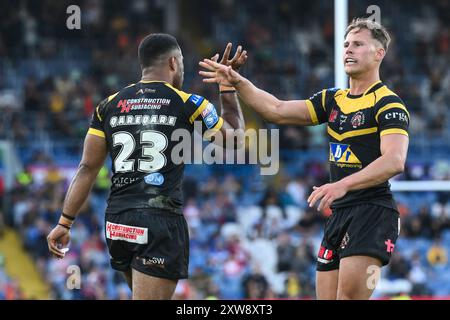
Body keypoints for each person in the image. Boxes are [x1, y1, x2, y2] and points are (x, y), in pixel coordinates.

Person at [200, 18, 409, 300]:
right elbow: (276, 109)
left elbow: (394, 160)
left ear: (378, 53)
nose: (348, 50)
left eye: (358, 44)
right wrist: (236, 82)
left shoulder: (388, 104)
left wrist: (342, 185)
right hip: (340, 214)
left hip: (372, 211)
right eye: (346, 44)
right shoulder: (333, 100)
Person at [47, 33, 247, 300]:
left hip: (117, 223)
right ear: (174, 63)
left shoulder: (108, 105)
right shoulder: (190, 103)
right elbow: (234, 140)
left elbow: (87, 168)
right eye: (183, 63)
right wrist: (227, 87)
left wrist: (65, 222)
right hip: (159, 221)